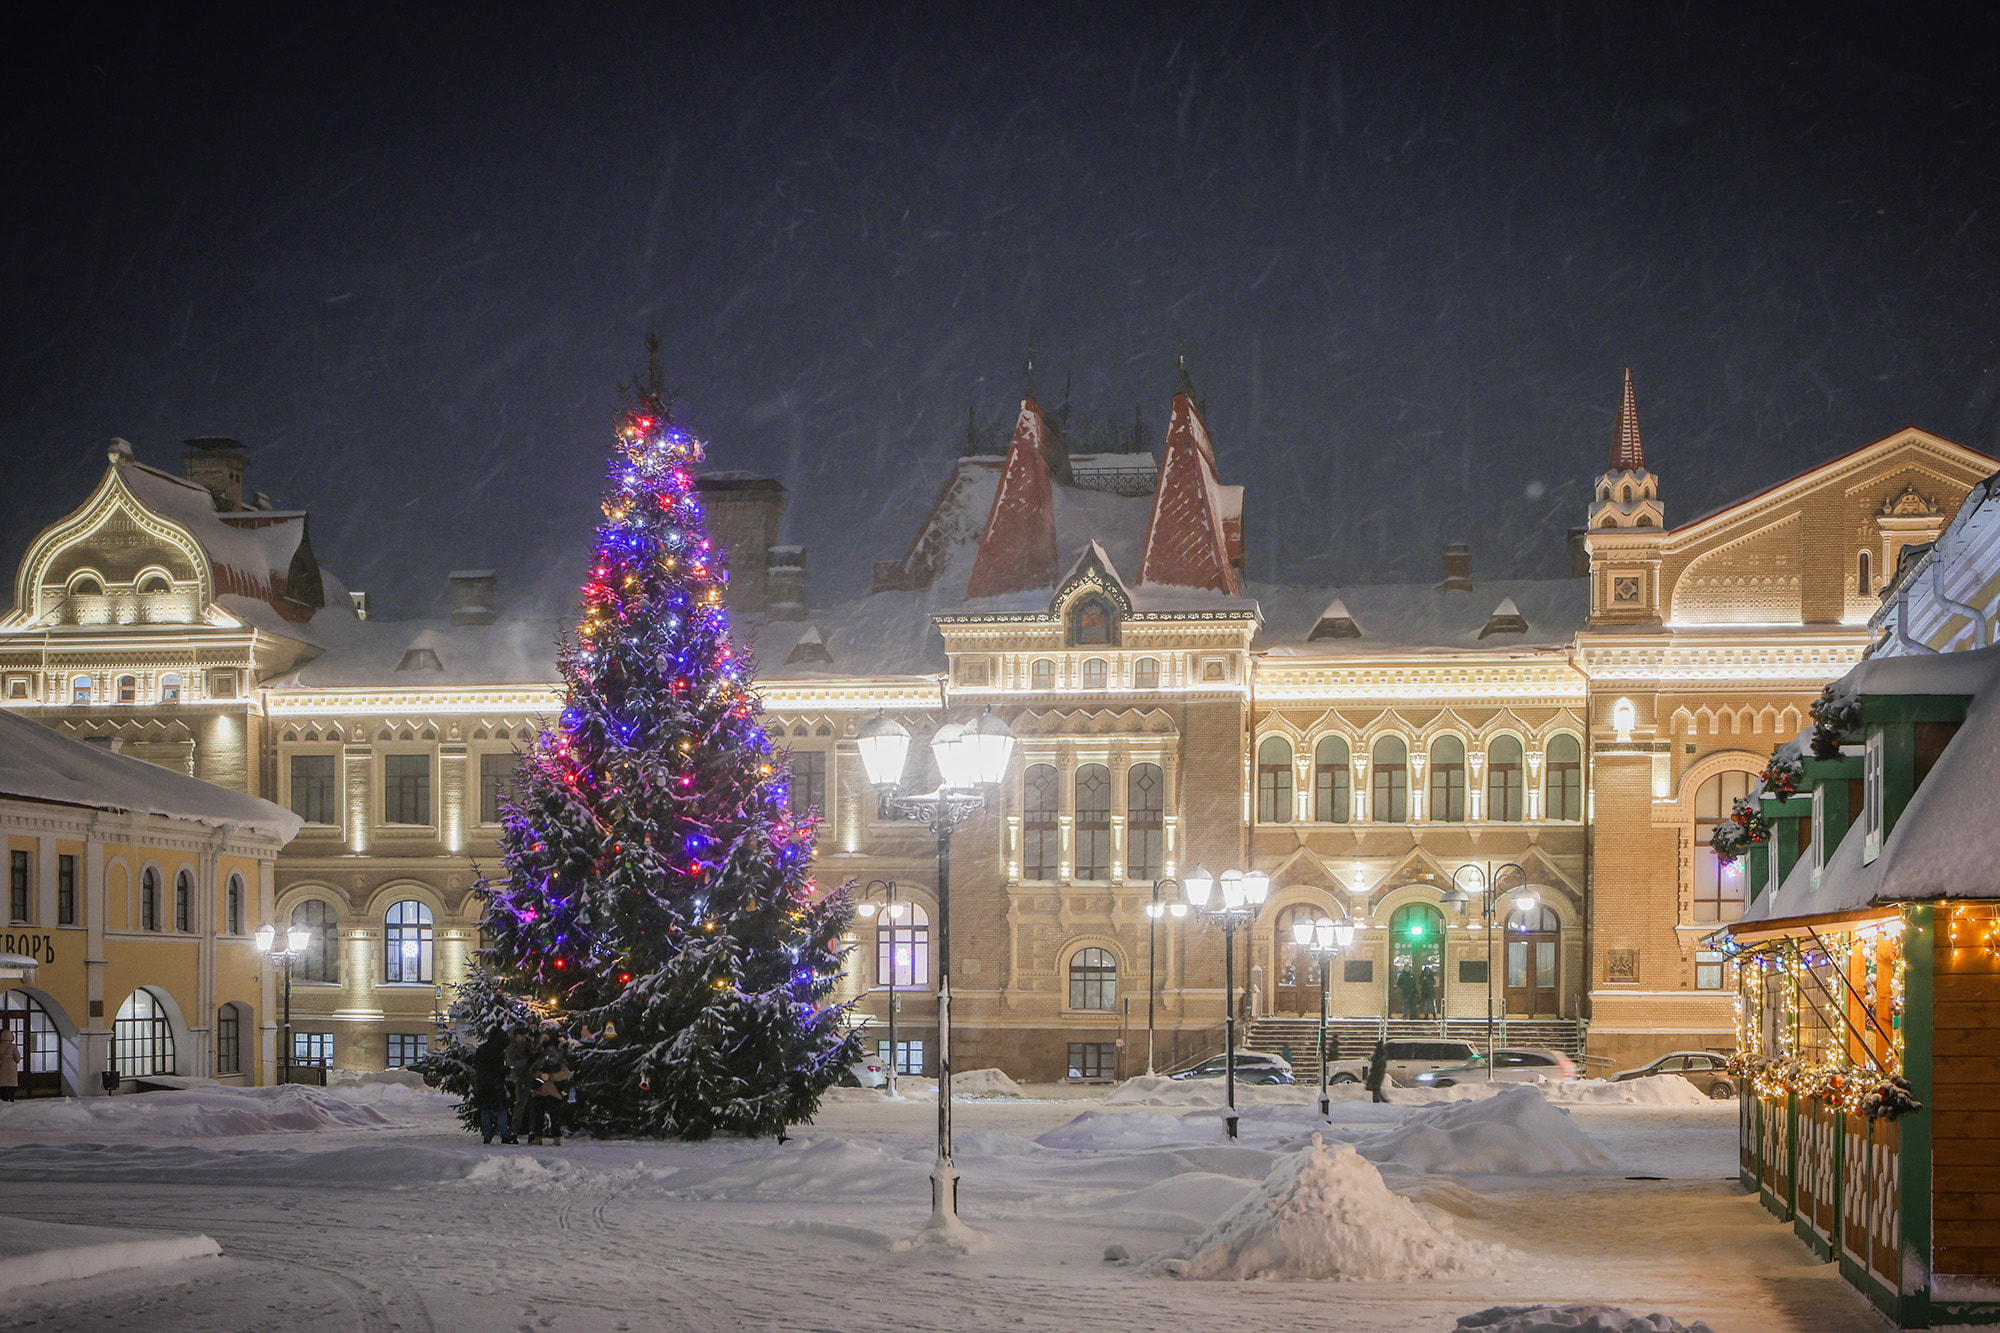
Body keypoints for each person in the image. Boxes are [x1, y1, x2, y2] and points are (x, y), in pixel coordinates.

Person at [526, 1033, 571, 1146]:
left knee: (551, 1115)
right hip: (545, 1091)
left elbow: (565, 1073)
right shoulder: (543, 1059)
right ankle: (542, 1137)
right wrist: (541, 1075)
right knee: (540, 1115)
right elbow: (533, 1071)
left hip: (550, 1091)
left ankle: (553, 1137)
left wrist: (548, 1077)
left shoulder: (557, 1060)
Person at [471, 1028, 515, 1144]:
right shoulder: (499, 1051)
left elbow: (477, 1066)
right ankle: (504, 1135)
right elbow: (499, 1069)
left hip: (482, 1084)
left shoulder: (481, 1049)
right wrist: (507, 1070)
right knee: (501, 1110)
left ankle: (487, 1135)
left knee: (485, 1110)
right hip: (496, 1084)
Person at [506, 1030, 535, 1142]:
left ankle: (531, 1131)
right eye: (518, 1036)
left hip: (530, 1078)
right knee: (520, 1106)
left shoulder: (527, 1046)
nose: (520, 1038)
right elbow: (512, 1064)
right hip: (520, 1079)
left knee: (531, 1106)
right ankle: (514, 1132)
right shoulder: (512, 1048)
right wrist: (526, 1060)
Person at [1364, 1039, 1391, 1104]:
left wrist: (1373, 1070)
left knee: (1376, 1087)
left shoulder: (1377, 1054)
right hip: (1379, 1072)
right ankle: (1380, 1099)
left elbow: (1375, 1063)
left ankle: (1378, 1099)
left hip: (1376, 1072)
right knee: (1376, 1087)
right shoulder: (1382, 1054)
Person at [0, 1028, 18, 1103]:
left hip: (2, 1071)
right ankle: (11, 1100)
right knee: (11, 1090)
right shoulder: (13, 1047)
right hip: (12, 1073)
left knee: (2, 1092)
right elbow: (18, 1058)